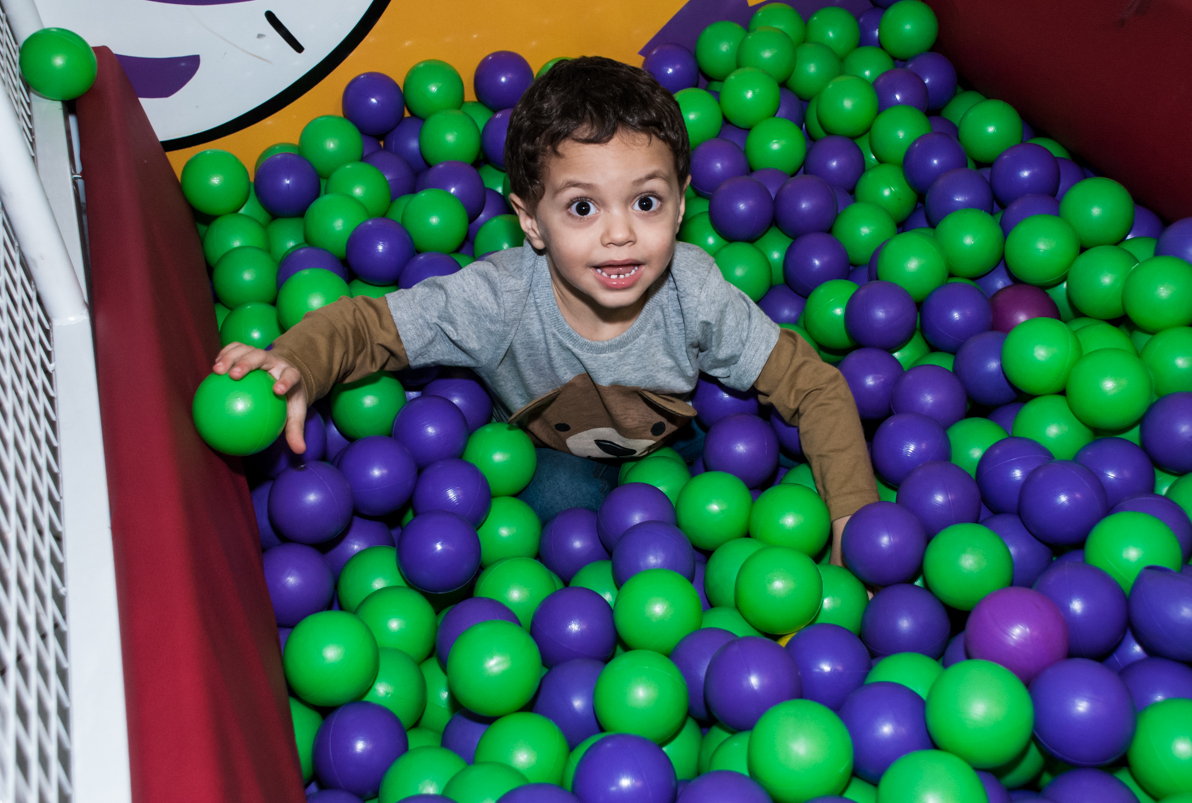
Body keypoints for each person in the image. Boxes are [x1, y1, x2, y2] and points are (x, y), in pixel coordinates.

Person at [213, 56, 877, 563]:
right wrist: (295, 362)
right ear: (530, 221)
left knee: (742, 455)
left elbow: (812, 385)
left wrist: (854, 520)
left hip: (678, 439)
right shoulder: (499, 298)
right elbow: (370, 326)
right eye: (582, 207)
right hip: (549, 452)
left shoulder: (694, 292)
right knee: (559, 517)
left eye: (645, 202)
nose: (618, 234)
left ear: (681, 204)